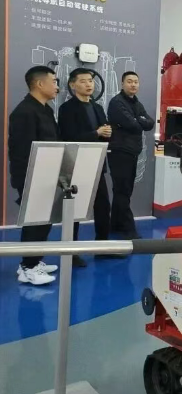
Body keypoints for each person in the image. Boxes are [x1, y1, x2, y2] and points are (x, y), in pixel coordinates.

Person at [8, 66, 60, 285]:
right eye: (54, 81)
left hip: (48, 173)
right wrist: (28, 179)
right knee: (34, 222)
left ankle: (34, 260)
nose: (57, 86)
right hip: (32, 176)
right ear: (39, 84)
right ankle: (28, 268)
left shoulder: (45, 110)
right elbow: (21, 151)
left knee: (44, 221)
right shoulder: (24, 112)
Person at [58, 68, 114, 267]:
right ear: (73, 85)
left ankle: (102, 247)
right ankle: (71, 252)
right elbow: (68, 136)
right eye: (83, 81)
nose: (89, 84)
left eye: (90, 80)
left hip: (97, 162)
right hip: (77, 164)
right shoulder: (67, 109)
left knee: (103, 206)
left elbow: (105, 132)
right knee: (75, 209)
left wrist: (107, 133)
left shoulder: (97, 107)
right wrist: (96, 133)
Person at [107, 71, 155, 239]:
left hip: (132, 151)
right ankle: (129, 229)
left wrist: (137, 119)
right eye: (129, 81)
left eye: (136, 81)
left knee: (124, 190)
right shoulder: (117, 102)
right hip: (119, 151)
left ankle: (116, 224)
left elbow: (149, 123)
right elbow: (132, 124)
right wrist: (138, 120)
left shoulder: (136, 102)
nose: (133, 84)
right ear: (122, 84)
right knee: (122, 190)